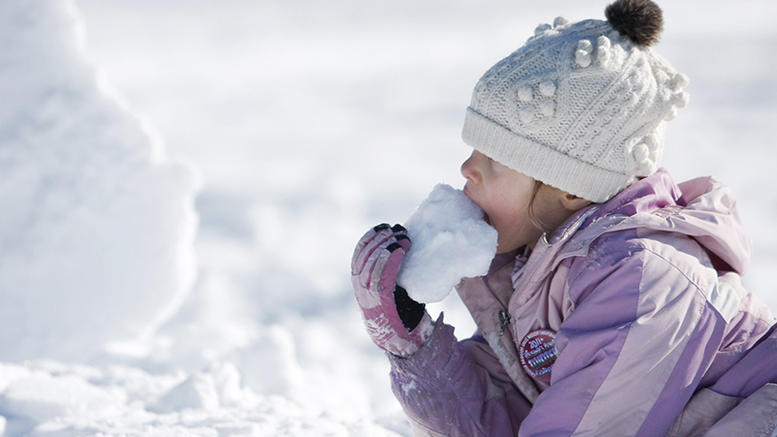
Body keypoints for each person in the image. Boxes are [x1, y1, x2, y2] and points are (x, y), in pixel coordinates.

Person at [350, 0, 777, 435]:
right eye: (472, 150)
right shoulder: (534, 267)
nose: (466, 170)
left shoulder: (643, 279)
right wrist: (412, 346)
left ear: (571, 187)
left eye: (495, 160)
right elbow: (505, 416)